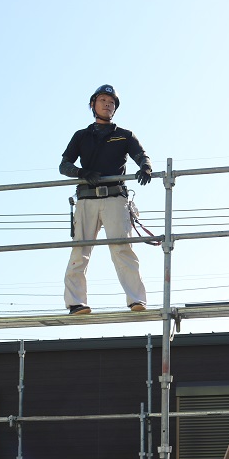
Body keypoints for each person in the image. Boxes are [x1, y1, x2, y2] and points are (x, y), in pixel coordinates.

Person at [59, 84, 154, 315]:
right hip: (87, 198)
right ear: (93, 104)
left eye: (111, 102)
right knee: (80, 250)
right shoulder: (81, 136)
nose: (107, 104)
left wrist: (146, 166)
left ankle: (136, 301)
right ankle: (76, 303)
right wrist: (82, 173)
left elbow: (141, 155)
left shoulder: (124, 135)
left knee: (122, 248)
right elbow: (64, 165)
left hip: (114, 198)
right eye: (102, 100)